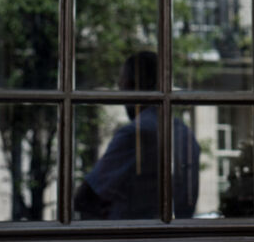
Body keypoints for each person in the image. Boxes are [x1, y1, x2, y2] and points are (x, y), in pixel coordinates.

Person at [75, 51, 200, 220]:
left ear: (130, 85)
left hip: (129, 234)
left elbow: (84, 198)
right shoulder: (186, 135)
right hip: (178, 234)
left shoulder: (135, 133)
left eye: (121, 84)